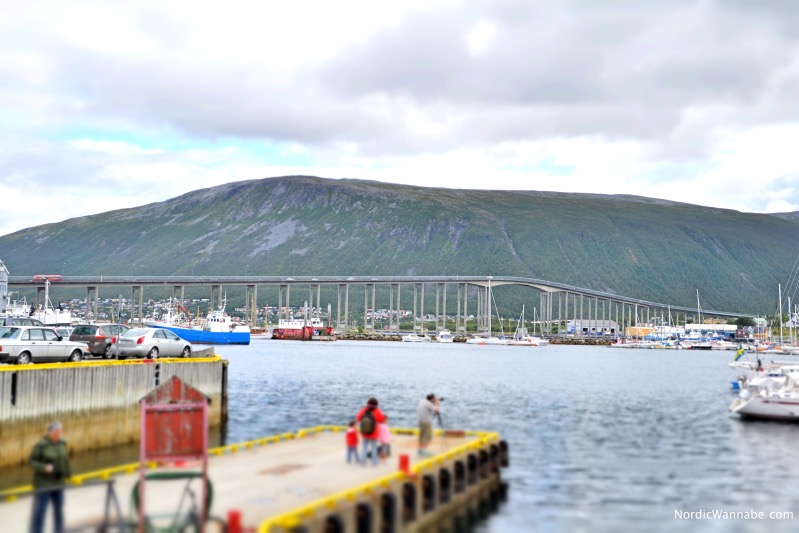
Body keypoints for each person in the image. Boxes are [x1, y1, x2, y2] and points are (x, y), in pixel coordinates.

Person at [29, 421, 71, 533]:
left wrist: (68, 475)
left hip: (58, 483)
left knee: (59, 510)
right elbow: (31, 461)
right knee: (41, 511)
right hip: (44, 484)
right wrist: (44, 467)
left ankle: (59, 530)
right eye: (56, 432)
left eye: (60, 432)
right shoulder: (41, 445)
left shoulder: (62, 443)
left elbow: (65, 461)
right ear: (50, 432)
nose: (59, 434)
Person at [356, 397, 386, 466]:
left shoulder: (364, 410)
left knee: (364, 447)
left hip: (365, 431)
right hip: (374, 432)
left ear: (368, 403)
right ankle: (374, 462)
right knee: (374, 447)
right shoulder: (377, 410)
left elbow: (358, 418)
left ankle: (363, 462)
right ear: (376, 404)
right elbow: (381, 419)